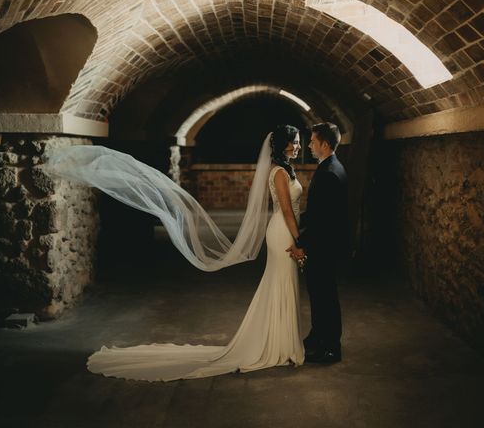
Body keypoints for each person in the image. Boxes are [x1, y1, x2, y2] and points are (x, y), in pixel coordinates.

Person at [42, 124, 306, 381]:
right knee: (280, 282)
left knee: (282, 283)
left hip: (284, 229)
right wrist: (299, 239)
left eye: (298, 141)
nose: (298, 146)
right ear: (282, 144)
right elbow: (284, 209)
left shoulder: (285, 169)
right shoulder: (279, 173)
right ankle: (277, 345)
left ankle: (280, 342)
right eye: (293, 141)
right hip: (282, 232)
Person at [287, 122, 348, 363]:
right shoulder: (330, 167)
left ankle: (331, 347)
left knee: (326, 296)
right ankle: (316, 336)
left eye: (312, 141)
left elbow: (323, 220)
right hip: (324, 244)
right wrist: (294, 221)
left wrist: (301, 242)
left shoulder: (330, 173)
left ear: (324, 144)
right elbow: (317, 211)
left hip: (325, 247)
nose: (309, 145)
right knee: (318, 293)